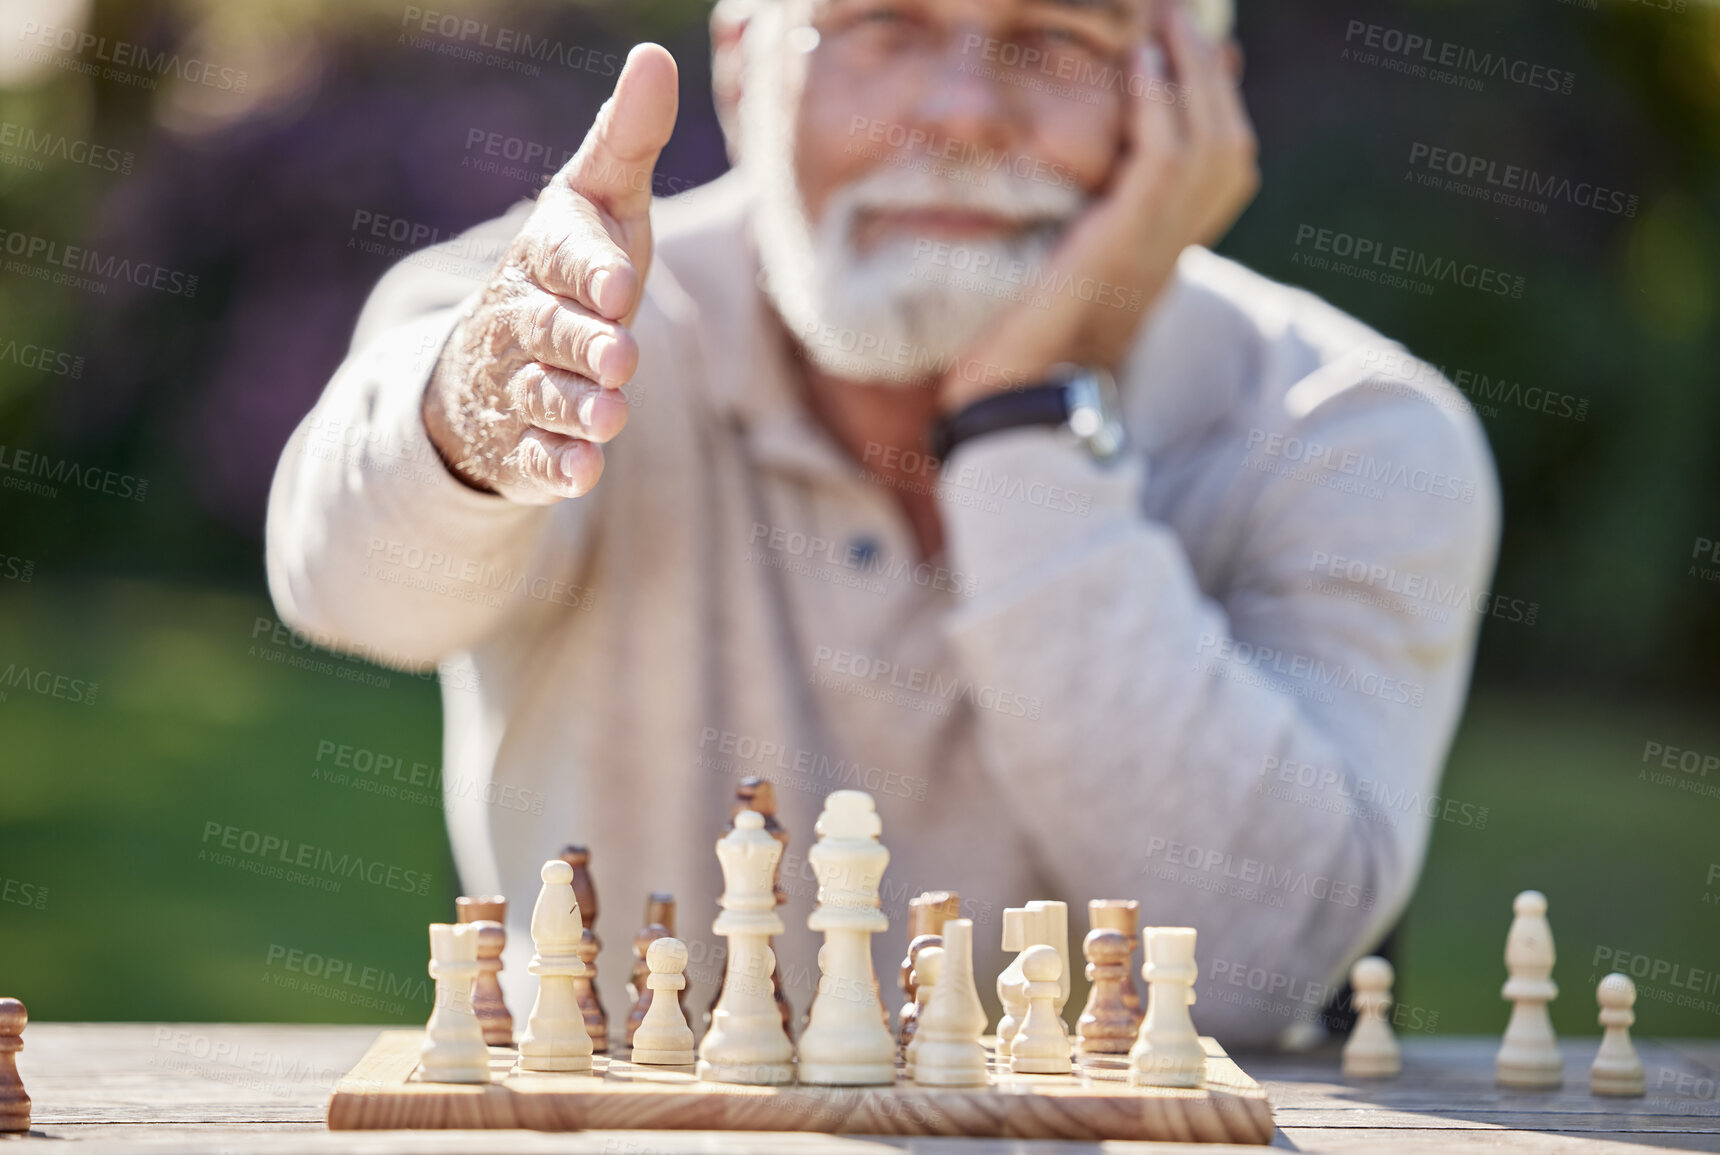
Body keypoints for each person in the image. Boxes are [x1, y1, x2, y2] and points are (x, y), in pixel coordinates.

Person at [266, 0, 1499, 1043]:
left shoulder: (1357, 432)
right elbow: (346, 586)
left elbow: (1261, 957)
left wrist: (1022, 420)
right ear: (744, 64)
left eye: (1054, 34)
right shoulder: (569, 316)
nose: (963, 113)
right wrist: (475, 414)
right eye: (884, 27)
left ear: (1197, 101)